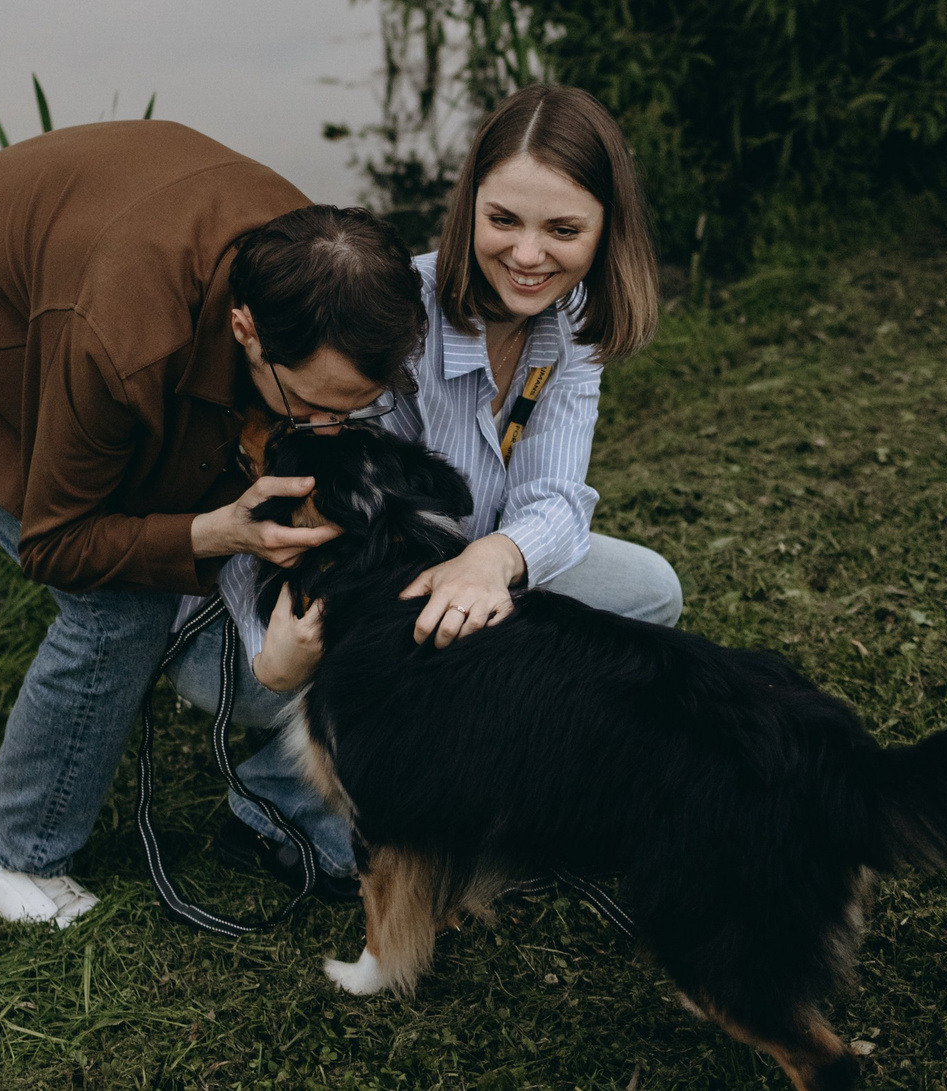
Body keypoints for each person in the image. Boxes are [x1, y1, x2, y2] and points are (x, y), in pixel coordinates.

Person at [0, 119, 431, 927]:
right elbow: (57, 541)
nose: (329, 429)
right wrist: (211, 533)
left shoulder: (324, 268)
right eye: (314, 406)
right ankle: (11, 848)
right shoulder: (120, 345)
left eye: (354, 408)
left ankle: (293, 781)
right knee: (118, 603)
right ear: (246, 329)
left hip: (76, 270)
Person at [178, 83, 684, 892]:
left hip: (443, 572)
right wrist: (266, 643)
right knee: (421, 645)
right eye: (503, 220)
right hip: (300, 608)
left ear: (604, 231)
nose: (528, 255)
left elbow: (557, 494)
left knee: (648, 593)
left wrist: (496, 556)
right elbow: (269, 499)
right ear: (467, 207)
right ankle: (282, 806)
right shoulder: (383, 315)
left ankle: (462, 779)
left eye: (563, 229)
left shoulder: (572, 322)